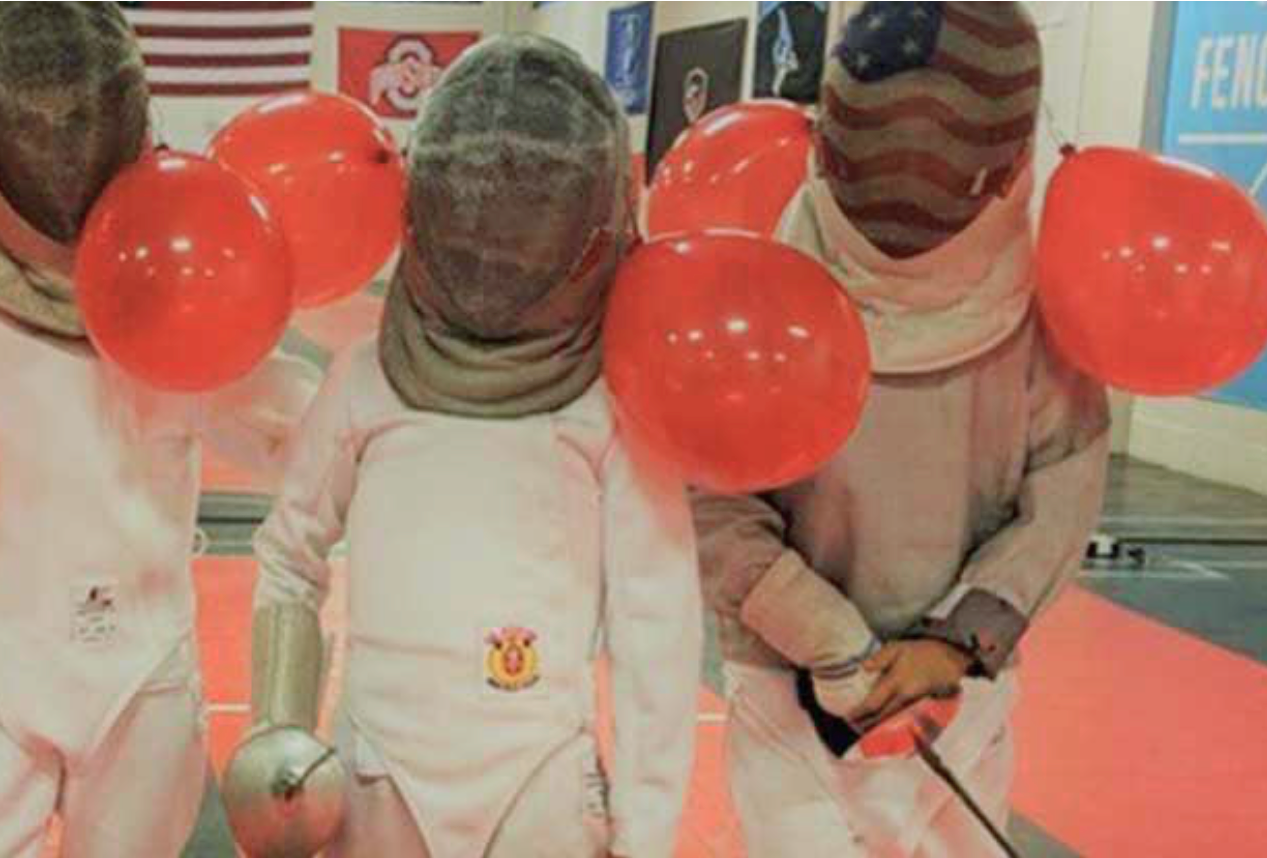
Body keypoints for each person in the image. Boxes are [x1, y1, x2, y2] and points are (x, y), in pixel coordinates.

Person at [239, 35, 701, 858]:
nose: (499, 242)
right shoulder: (366, 380)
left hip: (540, 785)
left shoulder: (613, 406)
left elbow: (655, 631)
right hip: (376, 768)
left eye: (527, 213)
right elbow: (288, 557)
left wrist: (645, 835)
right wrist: (280, 736)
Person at [0, 3, 319, 855]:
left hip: (140, 672)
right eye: (37, 133)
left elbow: (295, 432)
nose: (61, 157)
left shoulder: (176, 299)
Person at [697, 4, 1109, 855]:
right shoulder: (765, 280)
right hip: (790, 678)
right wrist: (828, 639)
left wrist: (956, 640)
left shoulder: (1038, 314)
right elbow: (715, 493)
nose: (911, 169)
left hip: (956, 691)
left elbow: (1061, 491)